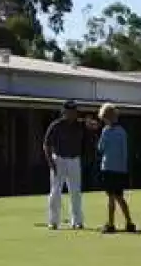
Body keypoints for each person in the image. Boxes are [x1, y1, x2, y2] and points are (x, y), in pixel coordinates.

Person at [43, 100, 97, 230]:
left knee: (75, 192)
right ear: (64, 112)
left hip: (74, 160)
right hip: (59, 159)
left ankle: (77, 221)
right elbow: (46, 145)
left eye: (74, 111)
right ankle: (53, 221)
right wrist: (50, 163)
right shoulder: (56, 125)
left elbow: (94, 126)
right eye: (69, 111)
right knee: (55, 191)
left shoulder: (80, 125)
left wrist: (90, 122)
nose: (72, 114)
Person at [96, 103, 136, 234]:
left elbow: (100, 148)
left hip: (108, 167)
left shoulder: (106, 131)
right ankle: (129, 222)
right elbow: (125, 152)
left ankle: (111, 224)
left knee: (111, 197)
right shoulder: (122, 132)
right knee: (119, 197)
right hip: (120, 169)